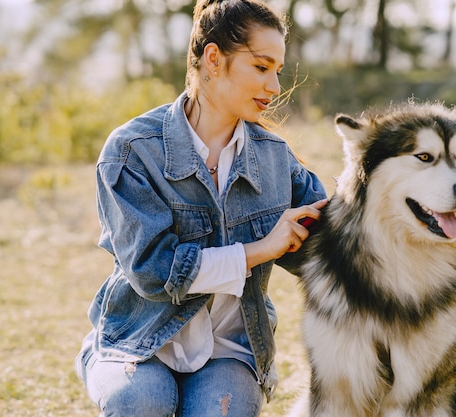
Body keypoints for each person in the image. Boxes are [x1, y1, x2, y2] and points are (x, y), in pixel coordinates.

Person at [74, 0, 328, 416]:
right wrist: (262, 248)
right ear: (214, 58)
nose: (275, 87)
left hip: (229, 348)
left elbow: (331, 245)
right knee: (142, 403)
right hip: (140, 341)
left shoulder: (276, 159)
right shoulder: (132, 151)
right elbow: (154, 272)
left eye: (278, 72)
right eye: (262, 68)